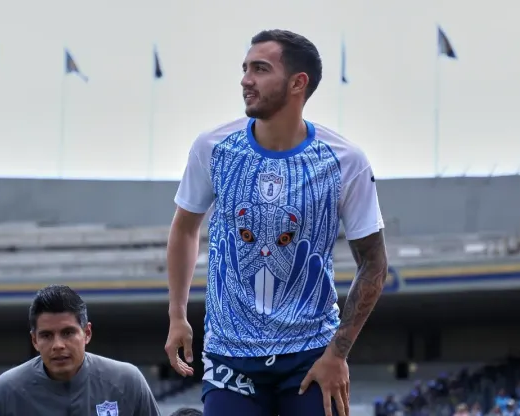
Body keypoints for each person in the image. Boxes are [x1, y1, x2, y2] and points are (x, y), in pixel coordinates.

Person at [164, 29, 388, 416]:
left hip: (311, 354)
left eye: (260, 69)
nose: (245, 79)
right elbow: (185, 227)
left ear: (298, 83)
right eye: (245, 68)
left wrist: (338, 352)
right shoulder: (213, 148)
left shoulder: (345, 161)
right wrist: (177, 314)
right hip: (229, 355)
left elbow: (374, 263)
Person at [0, 284, 161, 416]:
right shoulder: (6, 391)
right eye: (46, 335)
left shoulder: (127, 382)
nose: (58, 345)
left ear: (87, 333)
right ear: (34, 340)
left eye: (67, 333)